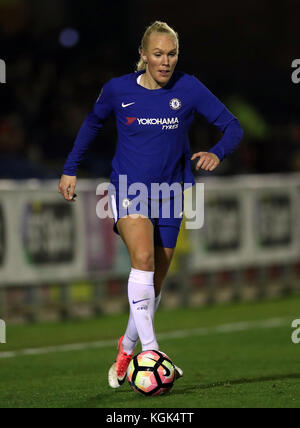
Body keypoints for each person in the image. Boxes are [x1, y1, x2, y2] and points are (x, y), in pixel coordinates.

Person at [58, 21, 243, 389]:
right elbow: (92, 124)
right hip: (129, 187)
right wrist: (69, 169)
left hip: (172, 193)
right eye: (157, 54)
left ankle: (126, 349)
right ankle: (154, 352)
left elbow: (233, 126)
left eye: (171, 54)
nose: (165, 61)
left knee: (154, 283)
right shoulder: (117, 90)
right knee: (142, 260)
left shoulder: (188, 88)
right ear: (143, 56)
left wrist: (218, 153)